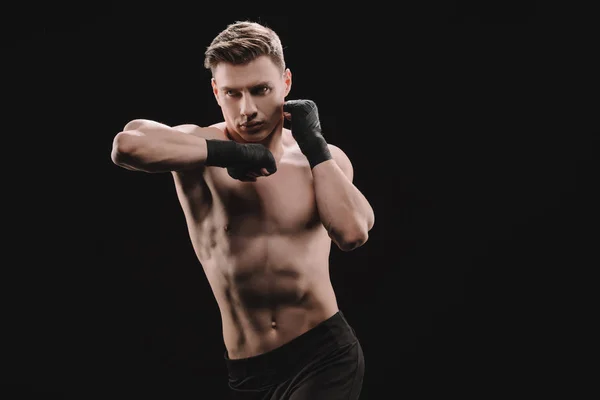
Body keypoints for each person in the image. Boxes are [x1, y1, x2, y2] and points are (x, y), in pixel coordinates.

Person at [110, 20, 375, 399]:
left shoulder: (322, 160)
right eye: (232, 93)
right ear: (216, 91)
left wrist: (315, 146)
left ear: (285, 83)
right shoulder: (198, 147)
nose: (247, 109)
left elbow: (352, 232)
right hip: (247, 372)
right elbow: (128, 145)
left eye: (260, 90)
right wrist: (231, 153)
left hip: (324, 354)